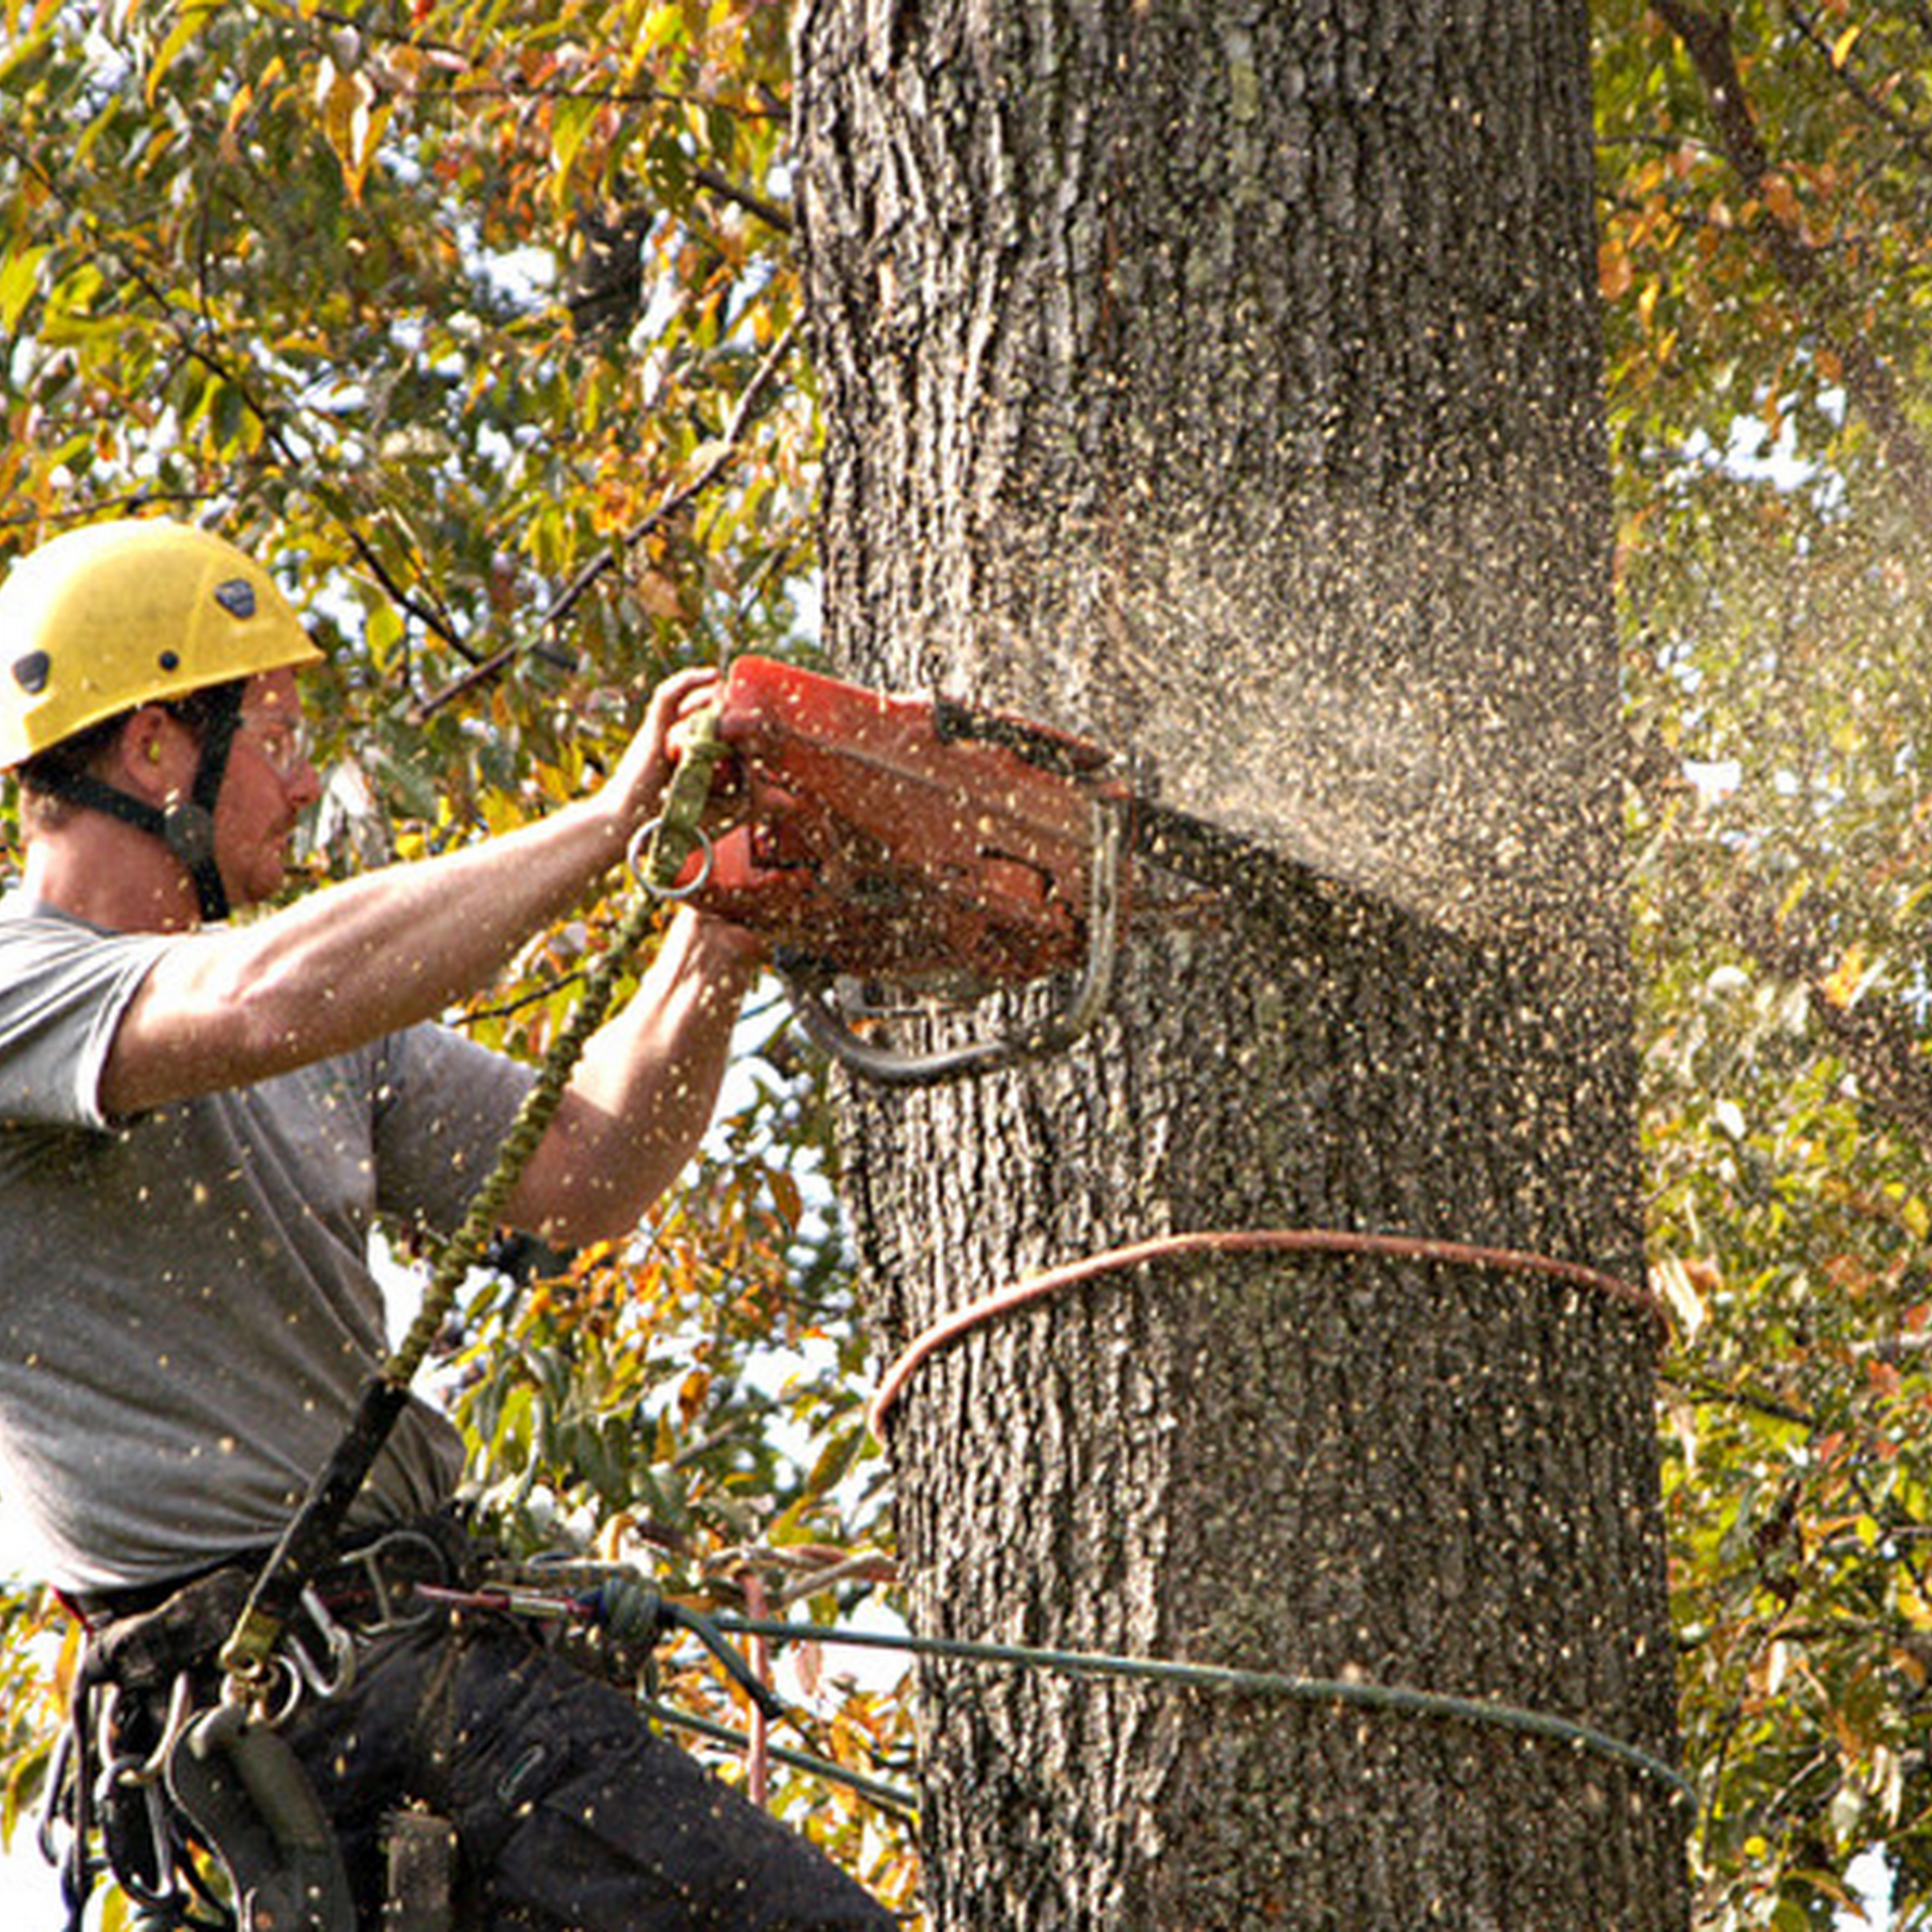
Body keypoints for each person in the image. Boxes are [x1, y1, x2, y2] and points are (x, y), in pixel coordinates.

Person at [0, 519, 895, 1930]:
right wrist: (609, 824)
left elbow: (584, 1170)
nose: (302, 785)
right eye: (280, 736)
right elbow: (255, 1002)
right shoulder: (26, 985)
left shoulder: (311, 1018)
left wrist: (715, 930)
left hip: (418, 1667)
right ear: (159, 749)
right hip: (299, 1708)